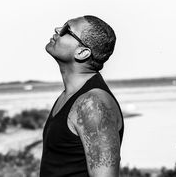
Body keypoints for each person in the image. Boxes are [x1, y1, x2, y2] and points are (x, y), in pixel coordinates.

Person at [40, 15, 124, 177]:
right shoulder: (70, 96)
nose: (58, 30)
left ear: (82, 52)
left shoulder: (93, 104)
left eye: (66, 30)